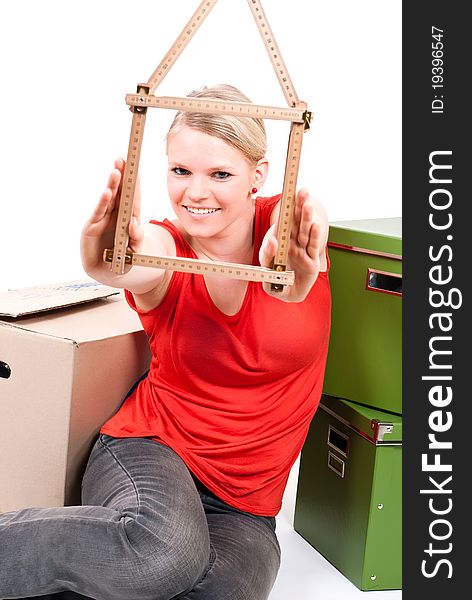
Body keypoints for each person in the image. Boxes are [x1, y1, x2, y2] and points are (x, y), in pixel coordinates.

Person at [0, 84, 331, 600]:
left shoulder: (288, 234)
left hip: (247, 505)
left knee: (215, 590)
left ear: (259, 176)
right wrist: (114, 258)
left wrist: (288, 277)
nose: (195, 193)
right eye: (181, 171)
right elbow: (137, 260)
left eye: (220, 174)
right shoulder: (166, 245)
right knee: (160, 557)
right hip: (152, 451)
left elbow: (298, 258)